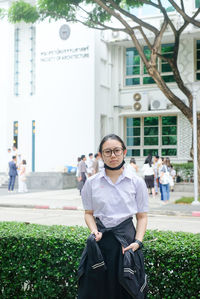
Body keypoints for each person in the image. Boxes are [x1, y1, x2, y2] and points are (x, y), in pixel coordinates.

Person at [78, 134, 148, 299]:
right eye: (107, 152)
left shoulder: (136, 182)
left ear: (124, 152)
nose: (113, 155)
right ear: (101, 155)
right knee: (97, 290)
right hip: (100, 242)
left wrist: (138, 242)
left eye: (117, 151)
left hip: (127, 242)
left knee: (126, 290)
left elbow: (142, 216)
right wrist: (94, 231)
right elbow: (88, 214)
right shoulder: (92, 183)